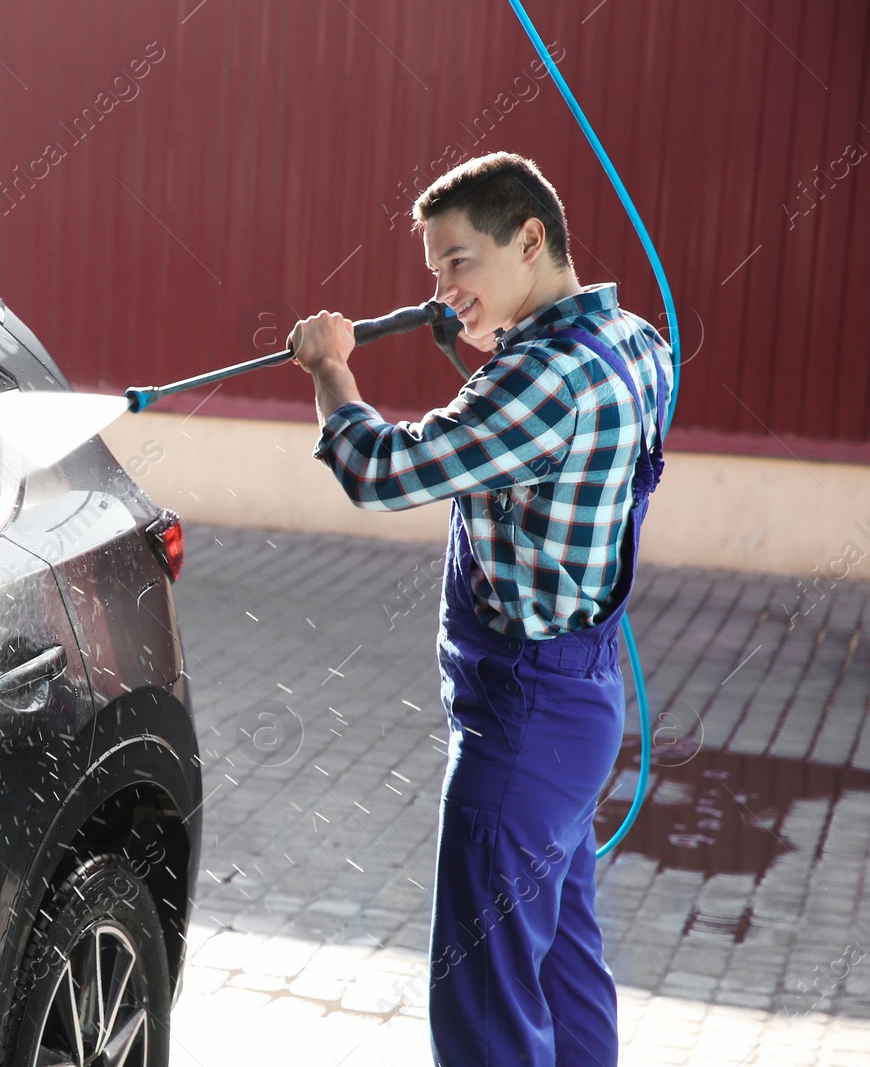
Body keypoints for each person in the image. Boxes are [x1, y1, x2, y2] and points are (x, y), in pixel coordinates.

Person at [287, 151, 672, 1067]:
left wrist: (329, 370)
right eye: (434, 271)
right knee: (562, 968)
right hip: (582, 707)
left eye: (460, 261)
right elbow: (535, 435)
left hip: (521, 722)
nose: (445, 286)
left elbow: (379, 470)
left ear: (530, 238)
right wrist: (488, 334)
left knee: (487, 1002)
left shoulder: (537, 382)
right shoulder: (634, 340)